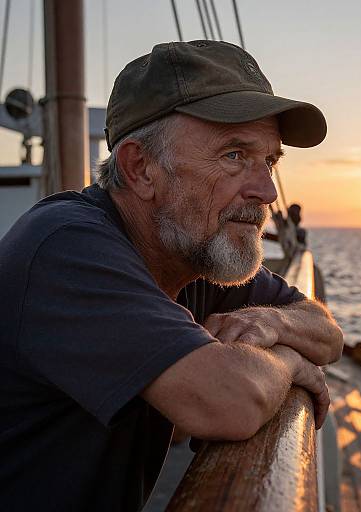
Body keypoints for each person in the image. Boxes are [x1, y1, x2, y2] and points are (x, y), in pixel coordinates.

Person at [0, 41, 343, 512]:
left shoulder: (189, 249)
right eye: (234, 155)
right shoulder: (63, 247)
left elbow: (326, 332)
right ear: (141, 168)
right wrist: (291, 365)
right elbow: (227, 401)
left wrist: (272, 326)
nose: (266, 190)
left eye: (270, 161)